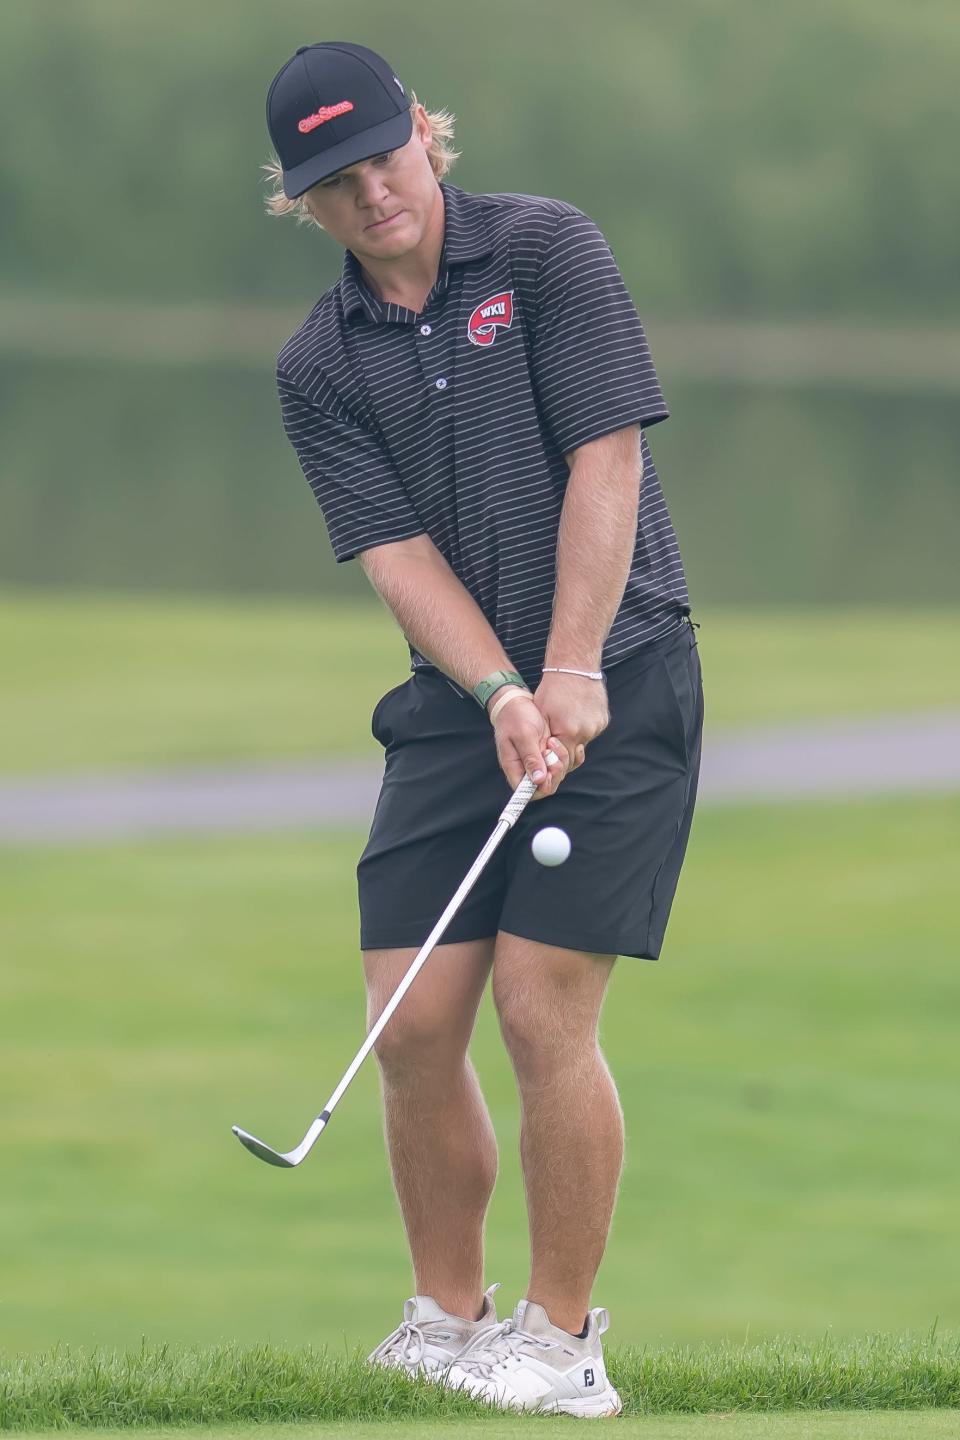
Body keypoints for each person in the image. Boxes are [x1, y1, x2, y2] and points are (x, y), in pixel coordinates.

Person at [263, 41, 704, 1419]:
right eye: (337, 179)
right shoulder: (317, 362)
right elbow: (397, 555)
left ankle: (561, 1340)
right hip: (463, 708)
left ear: (427, 138)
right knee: (407, 1021)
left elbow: (607, 454)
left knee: (536, 1008)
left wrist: (568, 670)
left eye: (385, 156)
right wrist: (503, 695)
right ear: (305, 200)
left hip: (619, 672)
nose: (374, 191)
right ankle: (446, 1323)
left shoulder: (547, 254)